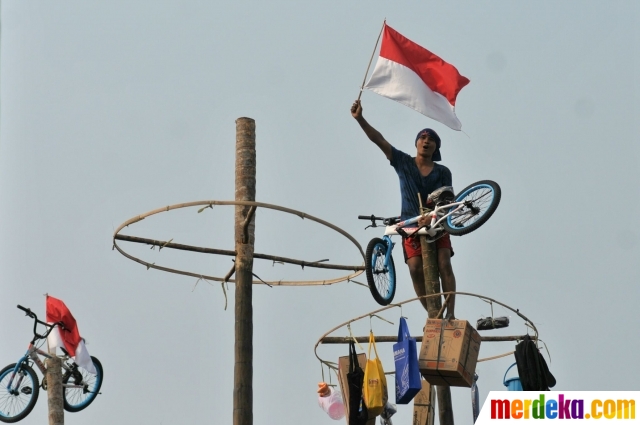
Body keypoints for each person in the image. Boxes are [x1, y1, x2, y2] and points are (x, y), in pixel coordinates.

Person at [351, 99, 457, 318]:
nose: (426, 142)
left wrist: (433, 217)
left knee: (444, 263)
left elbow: (447, 200)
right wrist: (360, 119)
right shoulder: (403, 162)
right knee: (415, 268)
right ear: (417, 143)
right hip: (410, 225)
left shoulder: (443, 172)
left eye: (431, 140)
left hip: (437, 224)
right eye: (423, 138)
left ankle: (451, 314)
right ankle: (433, 314)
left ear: (436, 148)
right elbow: (379, 140)